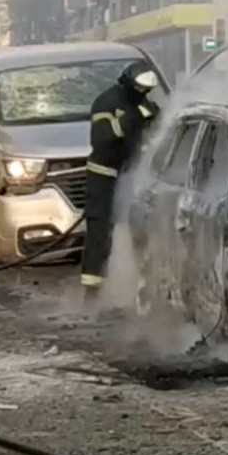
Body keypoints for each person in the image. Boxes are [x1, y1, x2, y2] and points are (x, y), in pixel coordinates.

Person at [81, 61, 161, 294]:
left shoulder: (142, 103)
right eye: (139, 88)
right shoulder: (107, 102)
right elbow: (102, 137)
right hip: (103, 176)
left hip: (130, 175)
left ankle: (135, 285)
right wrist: (133, 116)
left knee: (138, 230)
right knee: (100, 231)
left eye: (146, 90)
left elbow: (153, 129)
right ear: (129, 82)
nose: (143, 94)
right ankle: (92, 292)